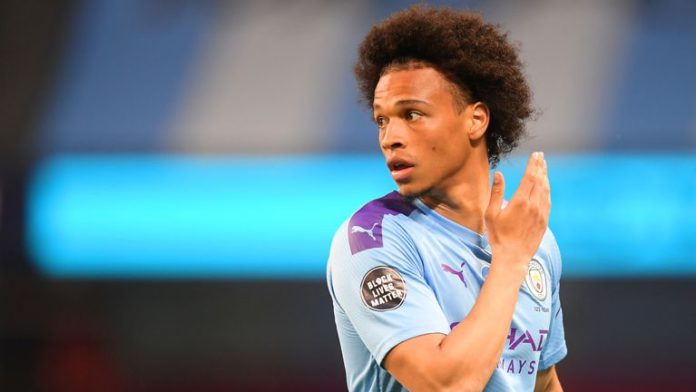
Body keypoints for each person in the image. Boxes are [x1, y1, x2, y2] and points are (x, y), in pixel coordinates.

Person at [326, 6, 567, 392]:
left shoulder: (534, 244)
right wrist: (510, 260)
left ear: (476, 120)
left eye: (412, 114)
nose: (390, 138)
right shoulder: (373, 239)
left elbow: (541, 380)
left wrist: (518, 251)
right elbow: (446, 385)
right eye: (382, 120)